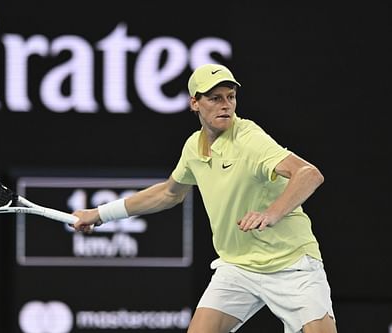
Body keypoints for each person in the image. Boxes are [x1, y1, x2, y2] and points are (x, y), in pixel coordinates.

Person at [71, 63, 337, 333]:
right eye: (215, 98)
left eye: (230, 97)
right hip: (238, 267)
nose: (225, 105)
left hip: (292, 264)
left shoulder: (250, 140)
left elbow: (308, 174)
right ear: (195, 103)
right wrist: (99, 214)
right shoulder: (193, 148)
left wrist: (271, 213)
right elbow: (168, 193)